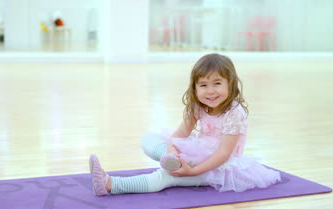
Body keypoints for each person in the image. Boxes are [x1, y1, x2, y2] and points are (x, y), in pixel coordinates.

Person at [90, 53, 281, 196]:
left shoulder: (234, 113)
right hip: (195, 153)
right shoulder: (199, 106)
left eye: (217, 84)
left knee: (166, 177)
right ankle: (170, 159)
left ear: (230, 85)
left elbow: (223, 154)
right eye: (203, 85)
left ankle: (110, 185)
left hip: (216, 167)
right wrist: (172, 149)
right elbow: (180, 133)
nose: (211, 91)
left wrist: (193, 171)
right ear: (195, 88)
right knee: (148, 139)